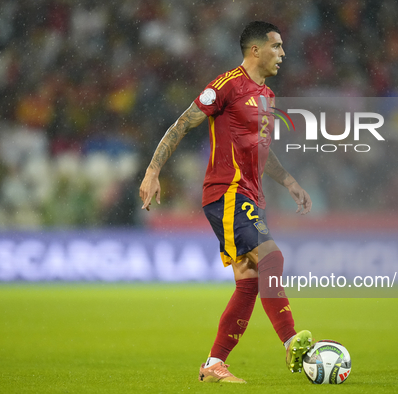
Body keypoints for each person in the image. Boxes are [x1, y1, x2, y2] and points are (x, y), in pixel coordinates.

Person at [139, 21, 313, 384]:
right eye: (277, 47)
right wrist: (153, 171)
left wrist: (290, 182)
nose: (282, 54)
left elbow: (262, 150)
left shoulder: (268, 96)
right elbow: (181, 125)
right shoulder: (226, 85)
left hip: (251, 196)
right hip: (227, 193)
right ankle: (291, 340)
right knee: (272, 258)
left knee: (249, 282)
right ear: (255, 50)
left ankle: (214, 364)